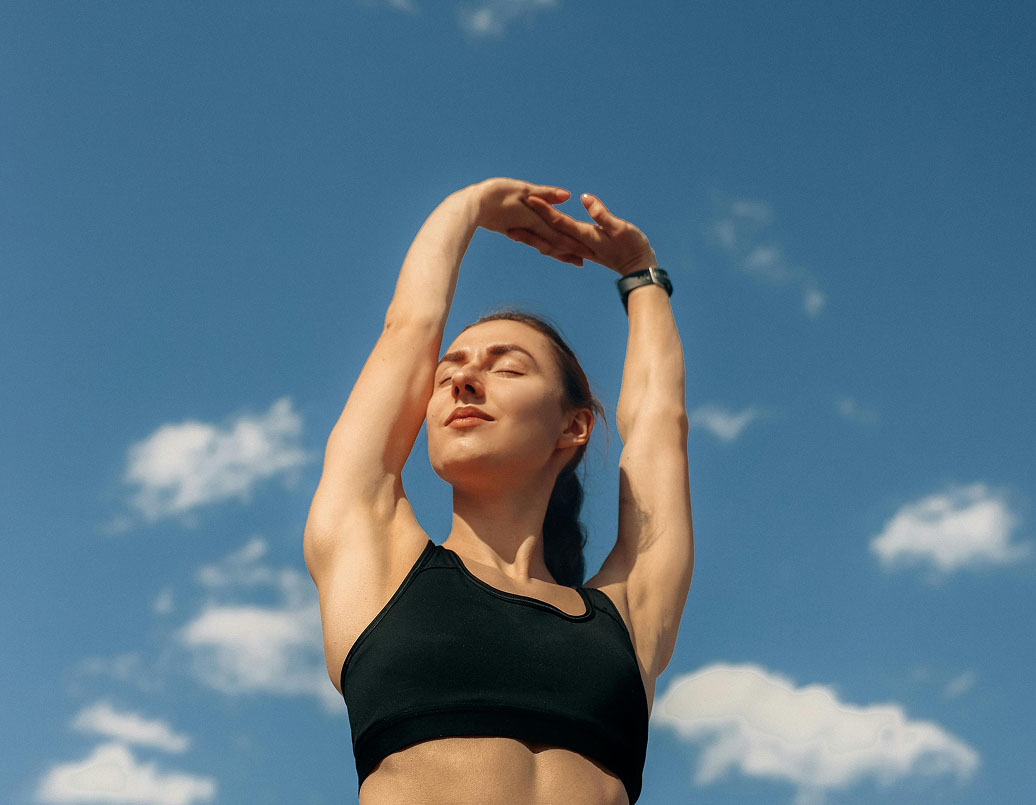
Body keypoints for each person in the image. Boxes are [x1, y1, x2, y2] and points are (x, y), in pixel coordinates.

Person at [304, 178, 693, 805]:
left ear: (574, 426)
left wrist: (640, 275)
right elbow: (408, 330)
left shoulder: (630, 617)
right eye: (448, 373)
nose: (464, 383)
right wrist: (468, 209)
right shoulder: (373, 556)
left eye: (508, 368)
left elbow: (659, 427)